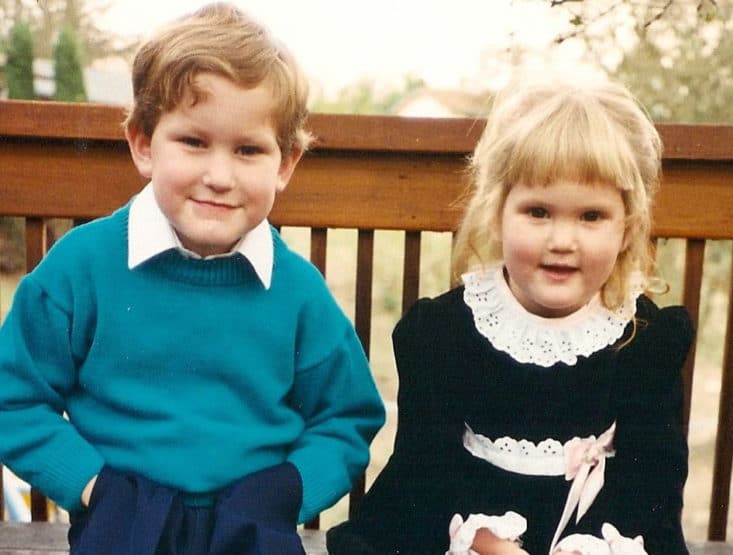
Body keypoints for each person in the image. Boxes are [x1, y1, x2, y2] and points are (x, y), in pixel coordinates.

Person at [0, 3, 385, 554]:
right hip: (124, 525)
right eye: (194, 142)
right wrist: (94, 487)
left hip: (253, 529)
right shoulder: (79, 269)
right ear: (142, 144)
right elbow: (12, 397)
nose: (219, 176)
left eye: (248, 150)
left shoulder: (297, 291)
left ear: (285, 164)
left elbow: (348, 417)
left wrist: (284, 493)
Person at [327, 73, 693, 555]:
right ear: (497, 213)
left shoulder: (643, 340)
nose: (563, 241)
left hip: (601, 538)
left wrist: (590, 546)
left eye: (591, 216)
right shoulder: (444, 333)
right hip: (463, 533)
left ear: (627, 228)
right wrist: (483, 540)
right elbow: (424, 473)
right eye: (538, 212)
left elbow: (652, 485)